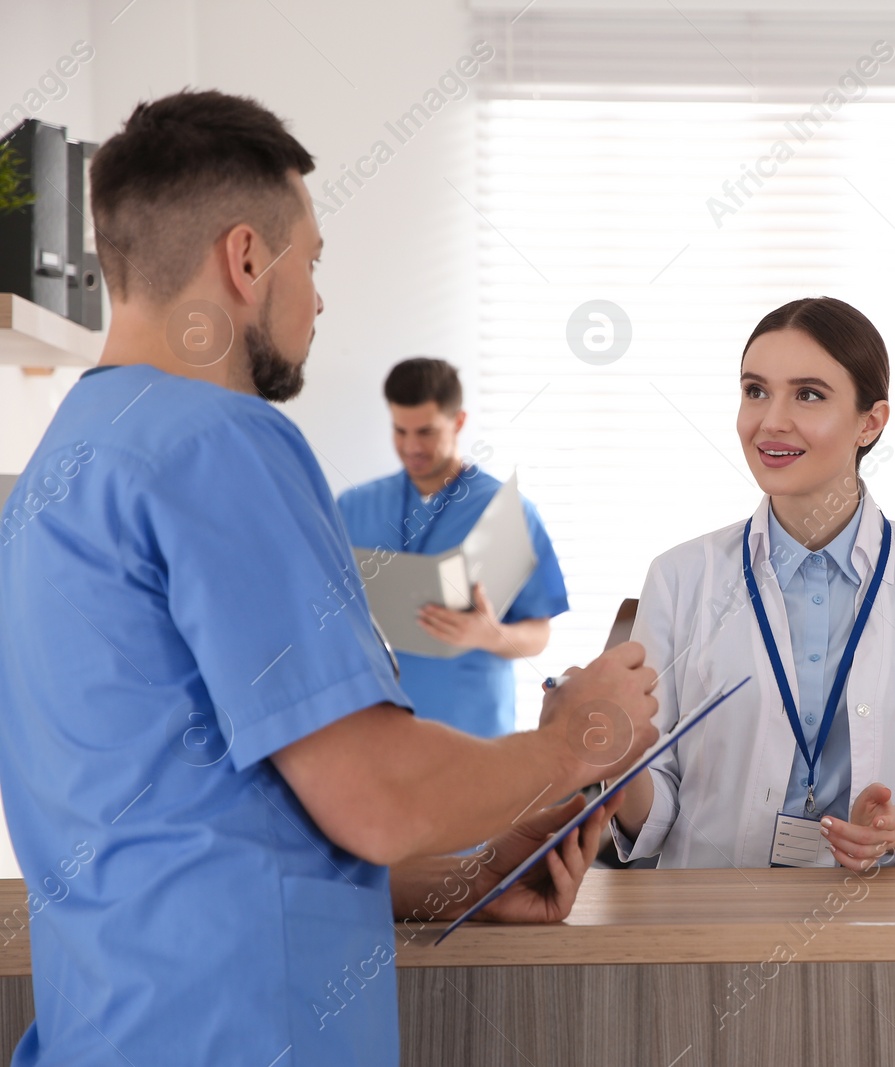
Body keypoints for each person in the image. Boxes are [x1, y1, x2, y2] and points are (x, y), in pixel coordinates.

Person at [0, 90, 658, 1067]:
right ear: (246, 258)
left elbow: (211, 826)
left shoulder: (61, 467)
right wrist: (574, 742)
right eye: (312, 260)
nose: (318, 295)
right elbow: (377, 797)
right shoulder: (220, 442)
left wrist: (463, 874)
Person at [611, 296, 895, 870]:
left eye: (809, 394)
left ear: (871, 423)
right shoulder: (680, 577)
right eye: (755, 391)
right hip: (711, 913)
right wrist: (617, 759)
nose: (771, 421)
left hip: (876, 917)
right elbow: (658, 802)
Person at [337, 357, 569, 738]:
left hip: (473, 732)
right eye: (400, 430)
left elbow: (539, 633)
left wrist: (488, 634)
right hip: (375, 732)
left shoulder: (507, 512)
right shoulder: (353, 506)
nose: (411, 446)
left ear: (458, 422)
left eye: (426, 432)